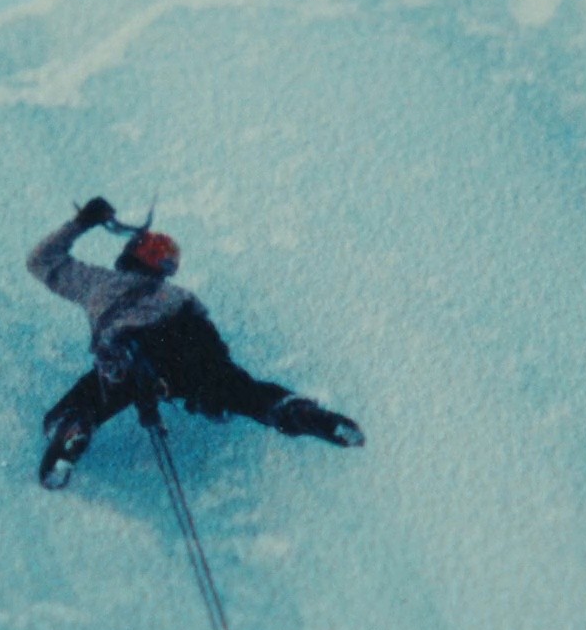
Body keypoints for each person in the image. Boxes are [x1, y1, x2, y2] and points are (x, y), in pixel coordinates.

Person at [27, 196, 363, 488]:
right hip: (184, 343)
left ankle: (72, 428)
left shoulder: (96, 283)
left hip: (126, 352)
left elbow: (40, 261)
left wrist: (81, 223)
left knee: (92, 396)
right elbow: (209, 342)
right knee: (238, 389)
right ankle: (296, 411)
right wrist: (212, 389)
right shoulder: (176, 293)